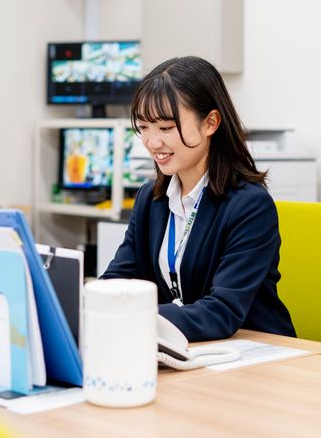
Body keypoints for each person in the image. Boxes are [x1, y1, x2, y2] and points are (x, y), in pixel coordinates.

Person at [101, 56, 295, 342]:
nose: (152, 142)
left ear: (210, 123)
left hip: (256, 350)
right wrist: (94, 305)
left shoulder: (249, 206)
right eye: (143, 127)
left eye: (166, 128)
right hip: (187, 346)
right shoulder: (150, 200)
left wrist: (136, 316)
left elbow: (223, 311)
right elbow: (118, 281)